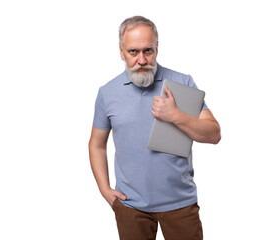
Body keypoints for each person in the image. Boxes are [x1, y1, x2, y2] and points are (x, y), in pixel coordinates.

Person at [89, 16, 221, 240]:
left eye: (148, 50)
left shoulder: (181, 83)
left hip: (180, 204)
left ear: (157, 48)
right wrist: (105, 190)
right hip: (130, 206)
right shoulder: (107, 92)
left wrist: (175, 116)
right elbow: (96, 144)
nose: (141, 60)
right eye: (133, 52)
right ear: (121, 52)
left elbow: (214, 134)